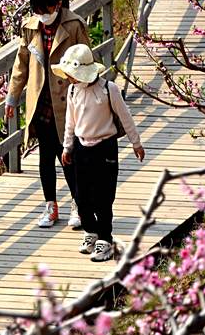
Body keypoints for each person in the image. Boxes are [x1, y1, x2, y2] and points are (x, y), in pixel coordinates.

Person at [5, 0, 92, 228]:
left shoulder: (74, 25)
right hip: (41, 101)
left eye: (47, 8)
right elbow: (21, 64)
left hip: (67, 101)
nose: (43, 14)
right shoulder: (31, 27)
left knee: (68, 155)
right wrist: (12, 97)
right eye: (38, 10)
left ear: (59, 4)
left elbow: (87, 62)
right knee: (45, 156)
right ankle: (50, 207)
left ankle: (78, 204)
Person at [53, 43, 145, 262]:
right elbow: (70, 122)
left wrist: (136, 143)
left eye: (73, 75)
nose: (70, 79)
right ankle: (90, 231)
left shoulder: (108, 89)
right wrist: (67, 147)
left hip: (105, 147)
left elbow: (125, 117)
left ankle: (105, 238)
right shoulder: (73, 90)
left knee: (104, 196)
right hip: (81, 148)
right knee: (81, 195)